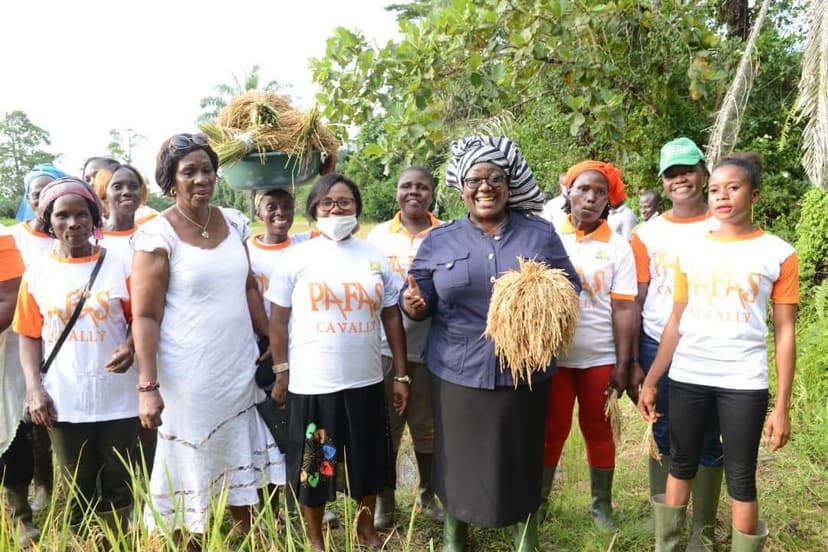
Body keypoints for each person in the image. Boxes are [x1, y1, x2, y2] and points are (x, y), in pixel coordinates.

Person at [401, 136, 579, 552]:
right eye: (474, 180)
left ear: (509, 182)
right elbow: (418, 297)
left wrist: (537, 303)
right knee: (457, 457)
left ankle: (524, 533)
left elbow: (571, 286)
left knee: (521, 453)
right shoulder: (440, 240)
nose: (485, 187)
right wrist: (413, 304)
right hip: (458, 369)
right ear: (461, 188)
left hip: (525, 369)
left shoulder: (539, 234)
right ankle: (454, 535)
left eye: (494, 178)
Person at [638, 153, 797, 551]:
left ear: (755, 194)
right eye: (715, 190)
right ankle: (669, 546)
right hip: (690, 375)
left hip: (744, 382)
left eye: (733, 187)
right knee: (681, 462)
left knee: (741, 476)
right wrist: (653, 380)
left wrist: (781, 406)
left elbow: (784, 332)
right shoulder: (691, 251)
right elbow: (675, 321)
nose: (722, 196)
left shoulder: (778, 253)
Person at [131, 133, 284, 541]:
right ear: (170, 181)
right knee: (192, 457)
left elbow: (249, 286)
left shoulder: (234, 221)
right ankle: (190, 539)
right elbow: (145, 316)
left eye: (207, 170)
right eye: (189, 172)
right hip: (188, 376)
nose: (201, 179)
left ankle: (242, 535)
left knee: (238, 449)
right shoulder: (155, 236)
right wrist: (148, 386)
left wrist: (267, 336)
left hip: (237, 366)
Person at [265, 173, 409, 551]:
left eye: (344, 201)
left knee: (368, 461)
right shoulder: (296, 257)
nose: (336, 208)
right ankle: (315, 538)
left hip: (365, 380)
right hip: (314, 384)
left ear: (357, 209)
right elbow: (278, 321)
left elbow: (392, 316)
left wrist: (402, 375)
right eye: (327, 202)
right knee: (313, 467)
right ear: (314, 209)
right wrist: (281, 371)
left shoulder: (374, 256)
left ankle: (365, 530)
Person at [13, 177, 138, 533]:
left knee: (118, 480)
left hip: (119, 397)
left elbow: (139, 321)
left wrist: (130, 344)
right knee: (75, 485)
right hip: (64, 399)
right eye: (63, 216)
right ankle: (77, 541)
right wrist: (34, 389)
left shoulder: (120, 265)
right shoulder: (37, 274)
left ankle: (116, 541)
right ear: (49, 222)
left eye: (81, 214)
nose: (73, 224)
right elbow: (28, 336)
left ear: (94, 218)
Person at [629, 137, 724, 549]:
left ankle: (702, 529)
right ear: (662, 183)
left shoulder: (724, 225)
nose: (680, 179)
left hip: (712, 345)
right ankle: (666, 527)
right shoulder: (646, 234)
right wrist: (634, 360)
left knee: (709, 434)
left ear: (704, 173)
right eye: (671, 173)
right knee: (662, 430)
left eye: (687, 170)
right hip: (656, 344)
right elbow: (636, 297)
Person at [539, 161, 638, 531]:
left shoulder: (617, 247)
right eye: (584, 189)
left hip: (599, 356)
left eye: (600, 192)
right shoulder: (549, 237)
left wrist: (624, 363)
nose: (592, 197)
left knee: (599, 430)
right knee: (552, 429)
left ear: (609, 200)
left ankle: (601, 509)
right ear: (569, 191)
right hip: (555, 358)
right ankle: (540, 502)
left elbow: (625, 307)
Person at [366, 166, 444, 528]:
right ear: (396, 191)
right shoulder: (378, 236)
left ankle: (428, 493)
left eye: (422, 187)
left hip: (432, 349)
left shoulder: (448, 234)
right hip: (383, 348)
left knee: (427, 429)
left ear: (432, 192)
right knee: (387, 428)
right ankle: (387, 499)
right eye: (406, 186)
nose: (414, 192)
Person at [6, 163, 67, 513]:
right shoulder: (15, 236)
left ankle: (48, 481)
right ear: (28, 199)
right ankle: (27, 491)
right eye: (35, 193)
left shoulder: (70, 229)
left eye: (49, 192)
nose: (41, 200)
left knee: (52, 417)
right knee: (24, 415)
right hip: (21, 340)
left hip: (62, 340)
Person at [0, 226, 39, 546]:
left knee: (10, 430)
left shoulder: (1, 238)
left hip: (3, 353)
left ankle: (20, 515)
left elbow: (9, 300)